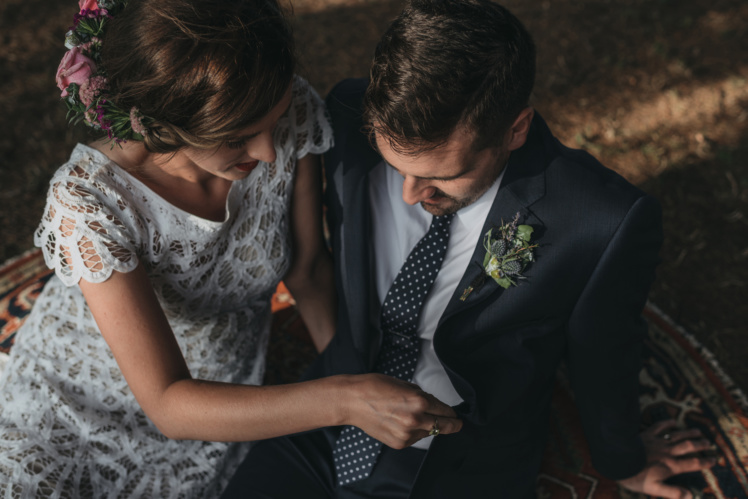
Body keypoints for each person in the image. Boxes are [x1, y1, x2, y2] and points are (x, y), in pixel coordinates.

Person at [223, 0, 716, 498]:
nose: (410, 194)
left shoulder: (599, 222)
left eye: (443, 175)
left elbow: (603, 354)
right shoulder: (347, 117)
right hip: (322, 424)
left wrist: (622, 460)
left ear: (515, 130)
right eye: (397, 165)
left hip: (457, 463)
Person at [0, 0, 461, 496]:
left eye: (275, 120)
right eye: (240, 138)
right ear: (163, 128)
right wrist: (345, 399)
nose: (268, 151)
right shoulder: (89, 202)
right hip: (84, 399)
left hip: (226, 392)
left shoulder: (291, 113)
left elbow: (307, 271)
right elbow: (168, 404)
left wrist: (356, 379)